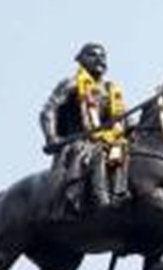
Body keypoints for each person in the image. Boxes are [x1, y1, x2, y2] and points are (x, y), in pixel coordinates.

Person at [40, 42, 128, 213]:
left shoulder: (111, 90)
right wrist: (51, 137)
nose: (99, 59)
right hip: (79, 142)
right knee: (98, 150)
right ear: (80, 60)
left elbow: (125, 119)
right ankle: (101, 199)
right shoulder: (71, 84)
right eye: (93, 55)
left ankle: (121, 195)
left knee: (127, 149)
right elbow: (48, 110)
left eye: (103, 56)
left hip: (111, 140)